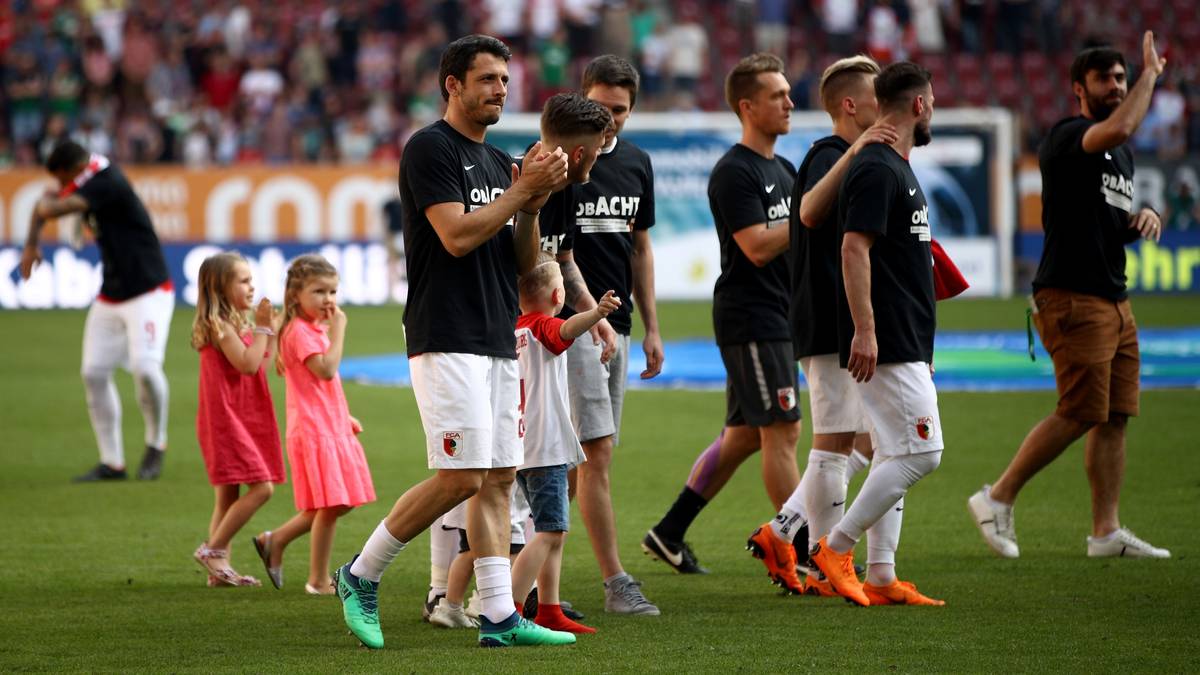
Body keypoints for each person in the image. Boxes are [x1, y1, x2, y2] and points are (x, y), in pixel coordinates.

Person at [332, 34, 573, 651]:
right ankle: (360, 574)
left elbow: (523, 264)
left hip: (496, 333)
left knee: (498, 478)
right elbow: (456, 237)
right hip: (446, 332)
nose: (500, 89)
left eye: (504, 79)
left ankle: (498, 616)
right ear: (453, 84)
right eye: (488, 78)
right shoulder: (429, 148)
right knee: (461, 478)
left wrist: (532, 205)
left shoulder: (496, 162)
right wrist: (519, 192)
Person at [968, 33, 1171, 560]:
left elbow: (1107, 223)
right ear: (1078, 88)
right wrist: (1151, 75)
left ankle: (1106, 532)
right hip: (1072, 296)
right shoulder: (1068, 136)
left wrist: (1142, 218)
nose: (1116, 86)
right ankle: (996, 496)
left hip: (1114, 299)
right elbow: (1121, 125)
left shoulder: (1120, 155)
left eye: (1122, 77)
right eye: (1105, 79)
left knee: (1115, 415)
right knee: (1079, 411)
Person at [646, 53, 803, 589]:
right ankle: (802, 551)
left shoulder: (785, 170)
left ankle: (669, 531)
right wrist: (809, 217)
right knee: (783, 429)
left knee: (744, 436)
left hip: (777, 315)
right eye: (778, 95)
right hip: (753, 318)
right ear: (747, 106)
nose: (789, 102)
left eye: (788, 93)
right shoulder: (735, 171)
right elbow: (757, 246)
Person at [756, 56, 897, 597]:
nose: (886, 107)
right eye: (877, 97)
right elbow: (810, 213)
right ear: (851, 105)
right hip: (828, 321)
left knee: (863, 440)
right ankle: (824, 562)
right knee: (836, 443)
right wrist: (858, 151)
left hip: (844, 320)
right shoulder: (827, 155)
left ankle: (786, 532)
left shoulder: (855, 157)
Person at [808, 61, 945, 607]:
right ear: (918, 104)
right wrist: (865, 330)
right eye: (931, 101)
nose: (932, 110)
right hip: (885, 340)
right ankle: (835, 547)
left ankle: (882, 575)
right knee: (923, 453)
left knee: (893, 451)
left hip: (905, 337)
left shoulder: (896, 166)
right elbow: (853, 248)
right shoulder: (876, 167)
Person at [542, 55, 665, 613]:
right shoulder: (563, 168)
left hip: (614, 324)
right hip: (570, 328)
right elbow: (558, 257)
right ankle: (614, 581)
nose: (611, 119)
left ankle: (528, 578)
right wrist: (588, 318)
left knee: (578, 457)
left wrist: (651, 327)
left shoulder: (636, 163)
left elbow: (640, 247)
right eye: (602, 108)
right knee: (591, 453)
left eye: (620, 110)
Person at [19, 141, 172, 482]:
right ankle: (112, 463)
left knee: (146, 369)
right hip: (111, 293)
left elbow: (51, 208)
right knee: (93, 372)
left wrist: (46, 206)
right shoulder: (86, 179)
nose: (61, 186)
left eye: (62, 179)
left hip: (149, 290)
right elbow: (46, 207)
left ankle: (156, 443)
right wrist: (31, 244)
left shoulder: (106, 181)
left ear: (73, 169)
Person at [253, 255, 377, 595]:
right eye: (319, 291)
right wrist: (339, 330)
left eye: (333, 291)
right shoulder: (300, 332)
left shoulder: (310, 329)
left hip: (328, 425)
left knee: (337, 502)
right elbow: (325, 369)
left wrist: (342, 415)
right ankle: (317, 578)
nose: (328, 299)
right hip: (314, 430)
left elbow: (317, 387)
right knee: (331, 504)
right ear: (296, 294)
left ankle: (275, 541)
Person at [511, 251, 621, 634]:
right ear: (559, 296)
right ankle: (507, 612)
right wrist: (596, 313)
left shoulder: (515, 330)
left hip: (524, 446)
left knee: (553, 531)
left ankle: (549, 609)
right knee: (550, 532)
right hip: (545, 449)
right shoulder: (543, 327)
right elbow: (566, 331)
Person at [189, 252, 284, 587]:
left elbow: (260, 363)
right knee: (262, 487)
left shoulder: (235, 325)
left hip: (239, 417)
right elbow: (247, 364)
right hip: (225, 421)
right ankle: (213, 550)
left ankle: (219, 570)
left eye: (251, 280)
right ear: (220, 287)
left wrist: (270, 331)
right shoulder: (220, 327)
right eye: (243, 281)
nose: (251, 286)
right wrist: (262, 328)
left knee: (227, 497)